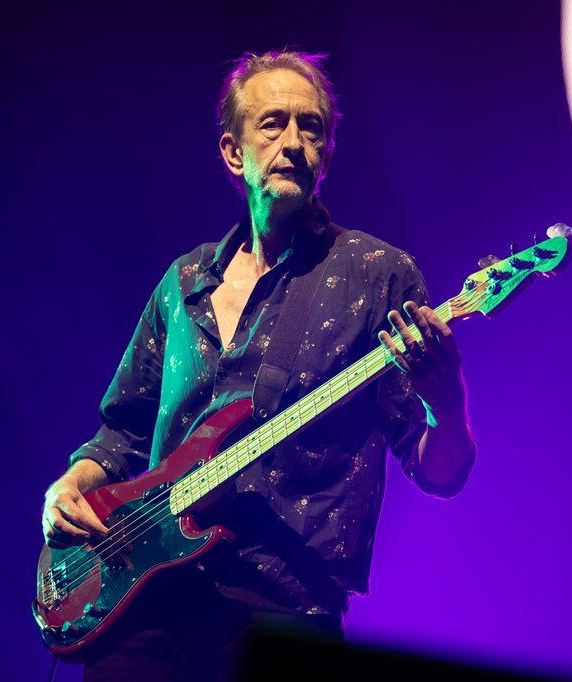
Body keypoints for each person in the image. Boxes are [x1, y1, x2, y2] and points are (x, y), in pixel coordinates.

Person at [41, 50, 476, 681]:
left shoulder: (377, 276)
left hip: (285, 607)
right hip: (141, 602)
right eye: (273, 124)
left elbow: (439, 471)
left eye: (312, 129)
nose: (295, 143)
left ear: (327, 155)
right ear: (231, 151)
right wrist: (69, 484)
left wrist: (449, 404)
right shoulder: (183, 281)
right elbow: (121, 433)